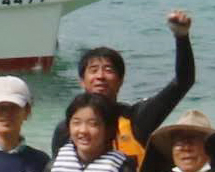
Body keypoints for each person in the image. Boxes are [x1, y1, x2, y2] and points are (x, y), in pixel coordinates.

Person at [78, 10, 197, 161]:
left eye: (108, 70)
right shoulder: (69, 128)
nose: (100, 76)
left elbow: (183, 82)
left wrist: (181, 37)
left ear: (120, 80)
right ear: (82, 81)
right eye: (93, 70)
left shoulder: (137, 118)